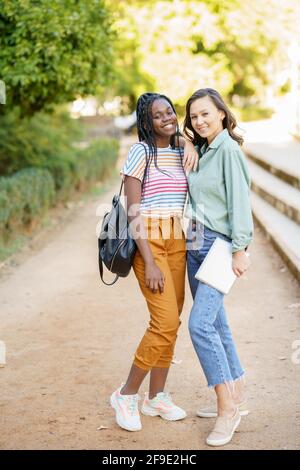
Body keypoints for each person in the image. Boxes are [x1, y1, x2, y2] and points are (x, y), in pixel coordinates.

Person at [110, 92, 198, 432]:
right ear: (146, 122)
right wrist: (150, 260)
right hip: (149, 241)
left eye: (170, 112)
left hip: (178, 236)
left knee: (172, 319)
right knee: (163, 322)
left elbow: (188, 135)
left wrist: (185, 140)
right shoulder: (140, 152)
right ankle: (127, 393)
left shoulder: (180, 149)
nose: (167, 118)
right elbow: (133, 212)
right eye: (157, 115)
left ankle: (156, 396)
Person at [183, 88, 253, 447]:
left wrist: (241, 248)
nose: (200, 121)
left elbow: (240, 199)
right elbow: (179, 132)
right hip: (194, 243)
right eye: (194, 116)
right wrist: (190, 142)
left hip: (221, 245)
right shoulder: (205, 148)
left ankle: (227, 409)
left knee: (199, 325)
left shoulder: (227, 150)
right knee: (216, 322)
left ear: (222, 114)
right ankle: (236, 390)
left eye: (206, 114)